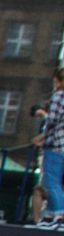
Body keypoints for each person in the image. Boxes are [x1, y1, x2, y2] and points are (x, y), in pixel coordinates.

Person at [35, 69, 64, 224]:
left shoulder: (59, 96)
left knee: (51, 181)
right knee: (56, 181)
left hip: (55, 144)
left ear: (57, 81)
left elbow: (52, 120)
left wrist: (42, 113)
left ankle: (59, 214)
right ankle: (50, 215)